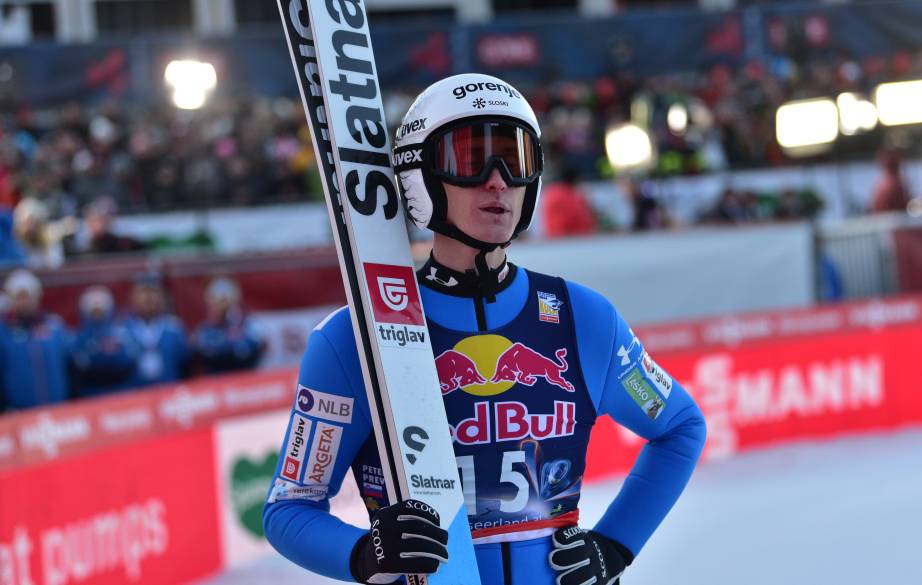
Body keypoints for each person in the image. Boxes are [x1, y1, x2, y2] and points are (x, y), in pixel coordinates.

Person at [263, 74, 706, 585]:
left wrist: (615, 545)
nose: (499, 181)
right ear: (422, 177)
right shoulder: (352, 339)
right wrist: (365, 554)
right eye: (471, 159)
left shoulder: (582, 318)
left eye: (516, 160)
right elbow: (289, 506)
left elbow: (680, 426)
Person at [0, 269, 72, 412]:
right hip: (18, 414)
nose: (24, 302)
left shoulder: (54, 326)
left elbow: (69, 364)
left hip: (58, 411)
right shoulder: (4, 331)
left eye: (27, 296)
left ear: (37, 296)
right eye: (19, 297)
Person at [71, 285, 140, 397]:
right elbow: (83, 365)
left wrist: (97, 353)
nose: (97, 313)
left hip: (122, 393)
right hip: (92, 395)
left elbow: (127, 360)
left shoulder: (122, 332)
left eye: (100, 310)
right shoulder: (80, 337)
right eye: (94, 310)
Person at [122, 273, 189, 387]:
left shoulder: (174, 328)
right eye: (143, 292)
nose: (148, 297)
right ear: (133, 297)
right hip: (135, 394)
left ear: (162, 297)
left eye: (153, 292)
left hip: (169, 391)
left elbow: (185, 365)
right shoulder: (122, 331)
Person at [191, 277, 265, 374]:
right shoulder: (205, 329)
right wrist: (231, 347)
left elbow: (254, 347)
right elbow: (206, 353)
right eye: (218, 301)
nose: (222, 306)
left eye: (225, 301)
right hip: (217, 380)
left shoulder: (247, 323)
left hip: (246, 378)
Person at [541, 169, 596, 238]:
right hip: (570, 237)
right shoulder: (571, 196)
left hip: (553, 236)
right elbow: (579, 219)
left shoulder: (550, 192)